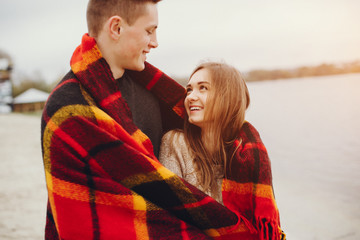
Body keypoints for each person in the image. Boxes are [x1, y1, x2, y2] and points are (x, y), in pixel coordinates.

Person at [41, 1, 268, 239]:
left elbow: (170, 184)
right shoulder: (67, 109)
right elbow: (78, 209)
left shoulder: (152, 92)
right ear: (116, 28)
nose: (155, 42)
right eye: (149, 30)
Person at [159, 62, 286, 239]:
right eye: (189, 90)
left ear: (227, 97)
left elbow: (262, 223)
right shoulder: (175, 142)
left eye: (202, 88)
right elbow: (170, 216)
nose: (190, 97)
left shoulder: (248, 153)